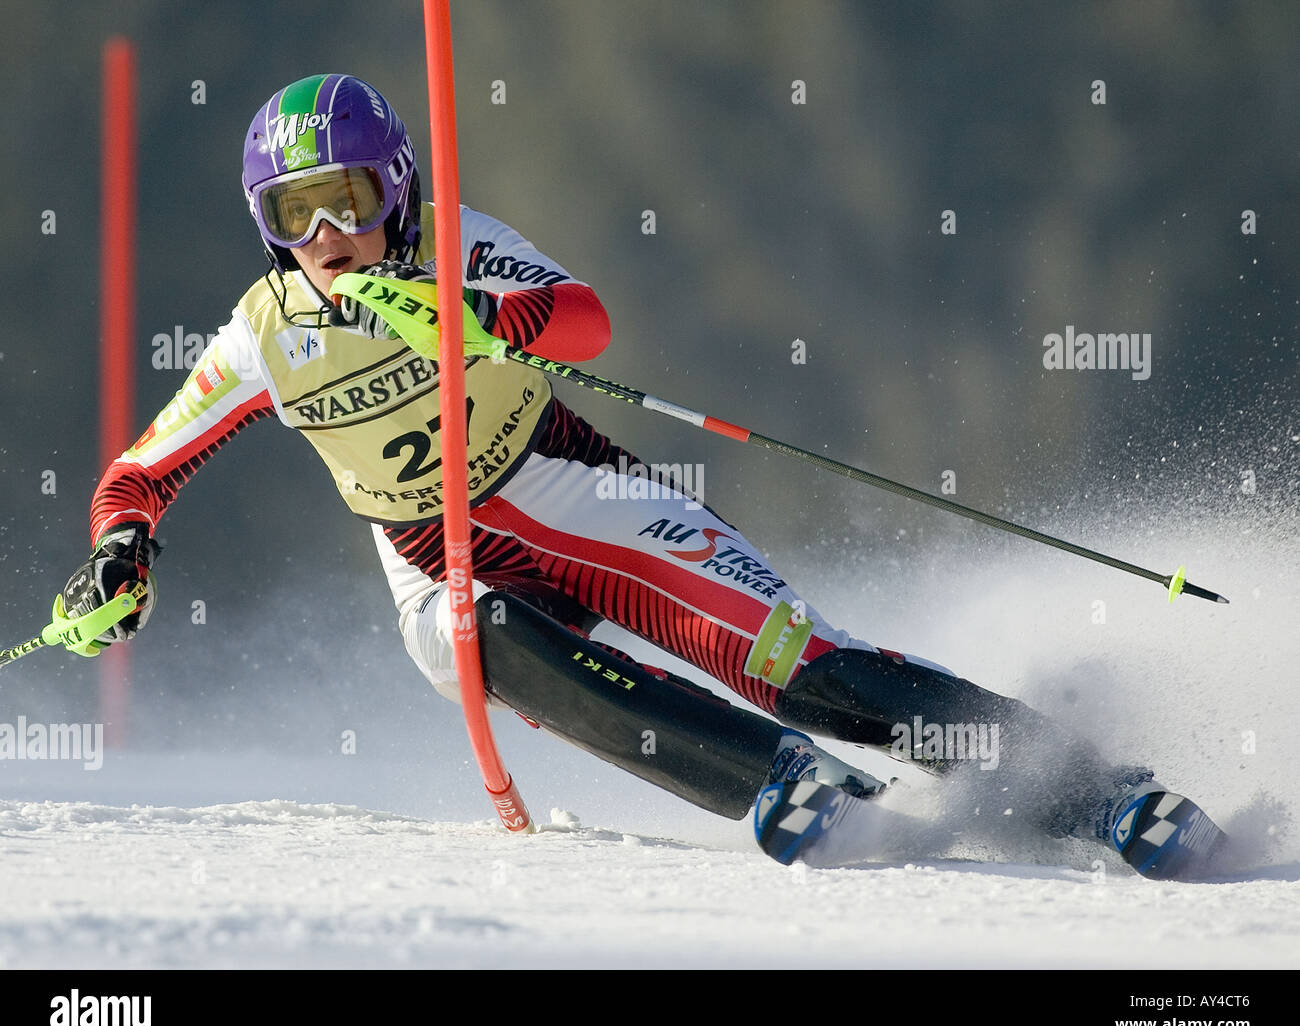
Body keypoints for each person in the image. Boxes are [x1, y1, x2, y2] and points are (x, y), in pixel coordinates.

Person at [58, 74, 1221, 877]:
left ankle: (1099, 794)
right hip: (434, 555)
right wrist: (121, 552)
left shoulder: (456, 236)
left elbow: (585, 320)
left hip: (571, 488)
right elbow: (138, 472)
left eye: (349, 200)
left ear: (397, 189)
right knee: (474, 637)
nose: (328, 236)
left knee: (801, 666)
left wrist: (470, 314)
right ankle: (784, 785)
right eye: (294, 214)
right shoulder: (265, 332)